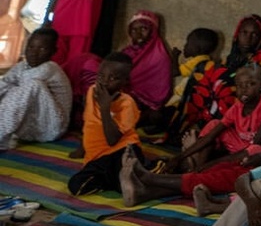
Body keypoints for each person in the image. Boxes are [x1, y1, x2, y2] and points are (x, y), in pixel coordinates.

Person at [121, 63, 261, 206]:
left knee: (218, 171)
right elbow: (212, 134)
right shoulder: (238, 107)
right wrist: (180, 156)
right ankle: (191, 168)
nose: (244, 89)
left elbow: (256, 146)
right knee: (214, 131)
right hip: (242, 149)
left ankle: (149, 179)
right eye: (240, 85)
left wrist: (210, 165)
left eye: (251, 84)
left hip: (258, 154)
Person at [68, 53, 143, 195]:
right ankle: (119, 180)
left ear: (125, 81)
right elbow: (89, 121)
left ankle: (153, 169)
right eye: (101, 76)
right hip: (98, 157)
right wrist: (83, 148)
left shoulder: (127, 103)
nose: (105, 82)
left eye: (113, 78)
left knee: (125, 180)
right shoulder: (91, 91)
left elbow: (112, 140)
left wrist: (105, 108)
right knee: (76, 186)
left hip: (122, 150)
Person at [0, 27, 72, 150]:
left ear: (53, 51)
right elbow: (4, 85)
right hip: (30, 128)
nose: (34, 52)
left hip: (50, 128)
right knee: (7, 86)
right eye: (31, 47)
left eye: (42, 48)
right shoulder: (22, 66)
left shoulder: (50, 68)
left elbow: (20, 92)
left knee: (33, 85)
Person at [121, 10, 172, 124]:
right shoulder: (126, 52)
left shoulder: (159, 56)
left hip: (143, 105)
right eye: (134, 30)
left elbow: (159, 90)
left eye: (144, 29)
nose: (138, 34)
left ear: (153, 31)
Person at [226, 14, 261, 99]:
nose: (248, 39)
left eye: (254, 35)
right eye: (244, 32)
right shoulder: (231, 58)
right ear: (237, 34)